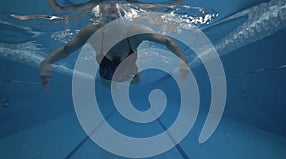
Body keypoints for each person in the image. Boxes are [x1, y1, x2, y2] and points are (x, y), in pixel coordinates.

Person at [40, 1, 189, 91]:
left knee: (136, 81)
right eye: (106, 3)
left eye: (117, 4)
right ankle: (115, 87)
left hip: (130, 66)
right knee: (107, 84)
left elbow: (167, 41)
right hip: (106, 69)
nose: (112, 6)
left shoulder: (135, 31)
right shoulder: (92, 31)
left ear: (123, 11)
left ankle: (132, 77)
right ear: (99, 11)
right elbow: (66, 50)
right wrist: (47, 62)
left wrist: (183, 60)